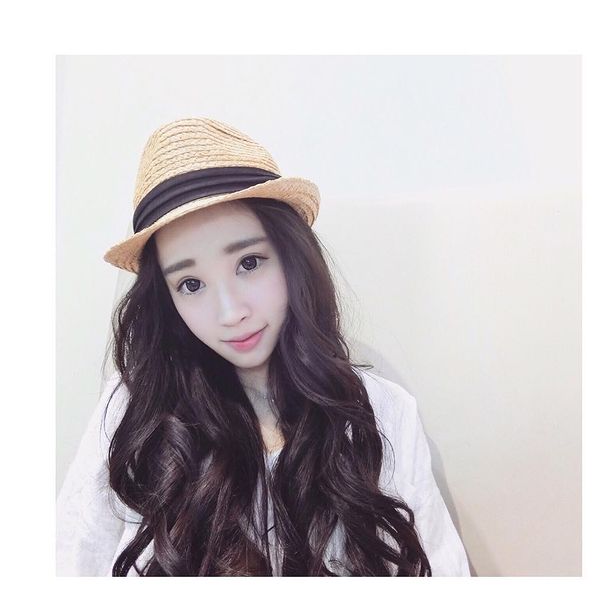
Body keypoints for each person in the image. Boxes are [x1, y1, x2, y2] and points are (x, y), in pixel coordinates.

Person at [56, 117, 471, 577]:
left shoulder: (381, 413)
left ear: (292, 257)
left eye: (249, 262)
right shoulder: (134, 412)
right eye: (191, 284)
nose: (231, 312)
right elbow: (69, 566)